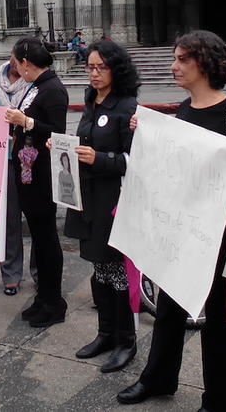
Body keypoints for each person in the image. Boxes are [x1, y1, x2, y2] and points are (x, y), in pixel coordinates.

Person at [117, 31, 226, 408]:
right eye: (175, 58)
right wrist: (147, 137)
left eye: (182, 59)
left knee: (218, 318)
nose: (174, 66)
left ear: (205, 63)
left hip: (220, 232)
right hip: (181, 227)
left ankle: (221, 399)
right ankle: (158, 379)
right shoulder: (183, 110)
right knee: (169, 307)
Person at [62, 39, 140, 373]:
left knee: (118, 271)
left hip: (114, 199)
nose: (94, 73)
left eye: (101, 67)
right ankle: (105, 333)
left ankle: (126, 340)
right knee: (99, 268)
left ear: (115, 69)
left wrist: (100, 158)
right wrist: (63, 147)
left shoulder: (127, 106)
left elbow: (134, 160)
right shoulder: (91, 100)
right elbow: (85, 142)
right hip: (88, 197)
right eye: (90, 67)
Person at [6, 37, 69, 328]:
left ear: (25, 63)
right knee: (39, 239)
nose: (16, 68)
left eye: (17, 63)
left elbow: (57, 133)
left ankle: (54, 301)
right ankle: (43, 297)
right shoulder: (35, 87)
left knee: (46, 240)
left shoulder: (53, 89)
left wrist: (27, 122)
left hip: (43, 175)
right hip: (28, 171)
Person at [0, 57, 37, 295]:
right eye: (15, 56)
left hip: (31, 158)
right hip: (3, 160)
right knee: (9, 219)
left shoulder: (35, 85)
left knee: (36, 218)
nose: (17, 62)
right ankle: (11, 274)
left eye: (22, 58)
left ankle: (40, 273)